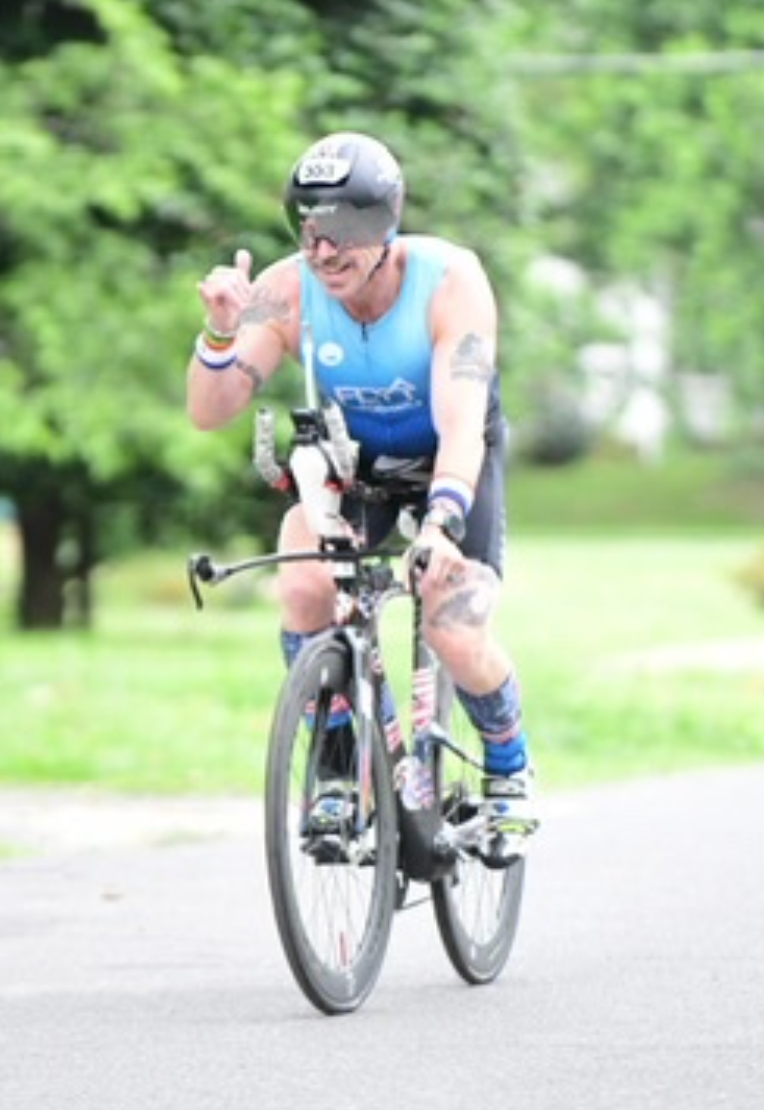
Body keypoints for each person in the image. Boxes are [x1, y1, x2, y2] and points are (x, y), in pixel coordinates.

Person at [186, 131, 533, 821]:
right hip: (362, 471)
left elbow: (463, 422)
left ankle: (509, 763)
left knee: (455, 628)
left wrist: (441, 525)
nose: (322, 252)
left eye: (342, 231)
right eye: (308, 230)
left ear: (387, 223)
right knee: (305, 581)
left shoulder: (451, 281)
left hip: (452, 465)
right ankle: (341, 765)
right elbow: (209, 411)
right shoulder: (286, 290)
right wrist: (222, 334)